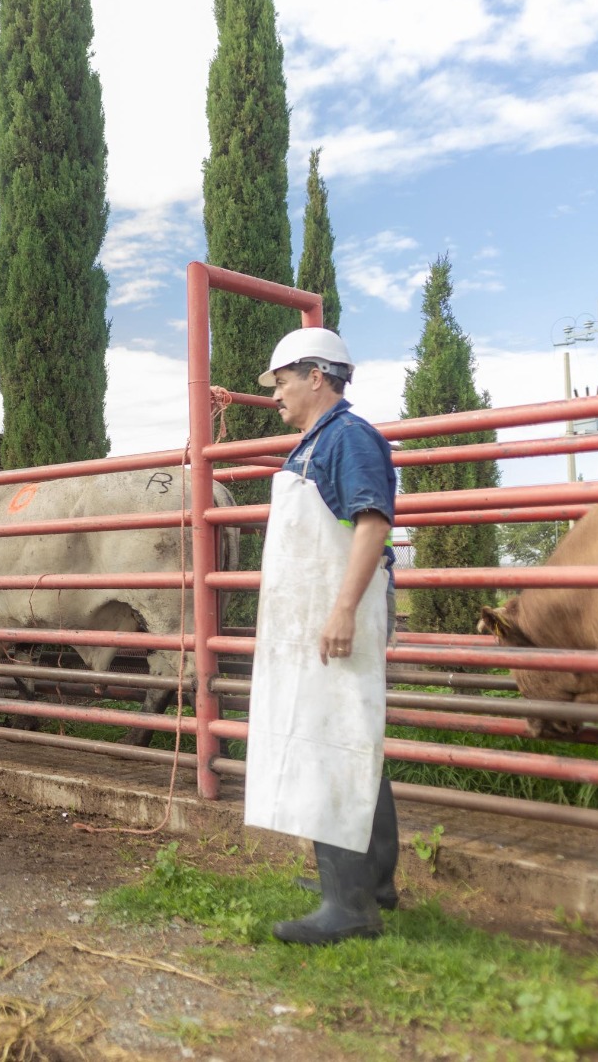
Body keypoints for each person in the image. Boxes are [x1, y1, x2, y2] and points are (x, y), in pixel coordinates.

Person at [257, 327, 400, 945]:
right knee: (350, 734)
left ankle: (350, 905)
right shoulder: (315, 444)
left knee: (335, 735)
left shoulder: (349, 438)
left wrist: (343, 608)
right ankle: (373, 881)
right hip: (317, 613)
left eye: (282, 380)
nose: (276, 395)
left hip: (342, 610)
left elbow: (372, 523)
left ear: (317, 376)